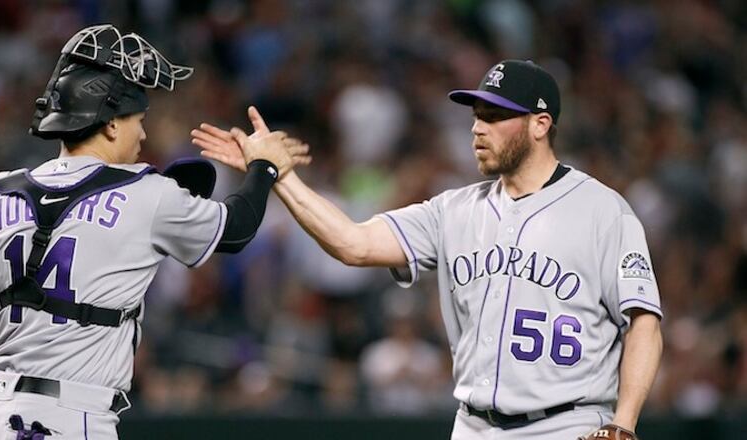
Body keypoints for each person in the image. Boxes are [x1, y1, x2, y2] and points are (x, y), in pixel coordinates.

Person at [192, 59, 663, 439]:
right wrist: (276, 175)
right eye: (477, 115)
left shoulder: (603, 211)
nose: (478, 128)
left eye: (496, 117)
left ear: (540, 124)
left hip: (568, 425)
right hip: (473, 426)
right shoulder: (454, 210)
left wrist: (624, 422)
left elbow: (643, 319)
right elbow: (353, 244)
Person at [0, 24, 307, 440]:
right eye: (137, 120)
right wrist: (263, 167)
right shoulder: (144, 192)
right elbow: (235, 230)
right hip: (72, 416)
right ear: (109, 125)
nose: (142, 133)